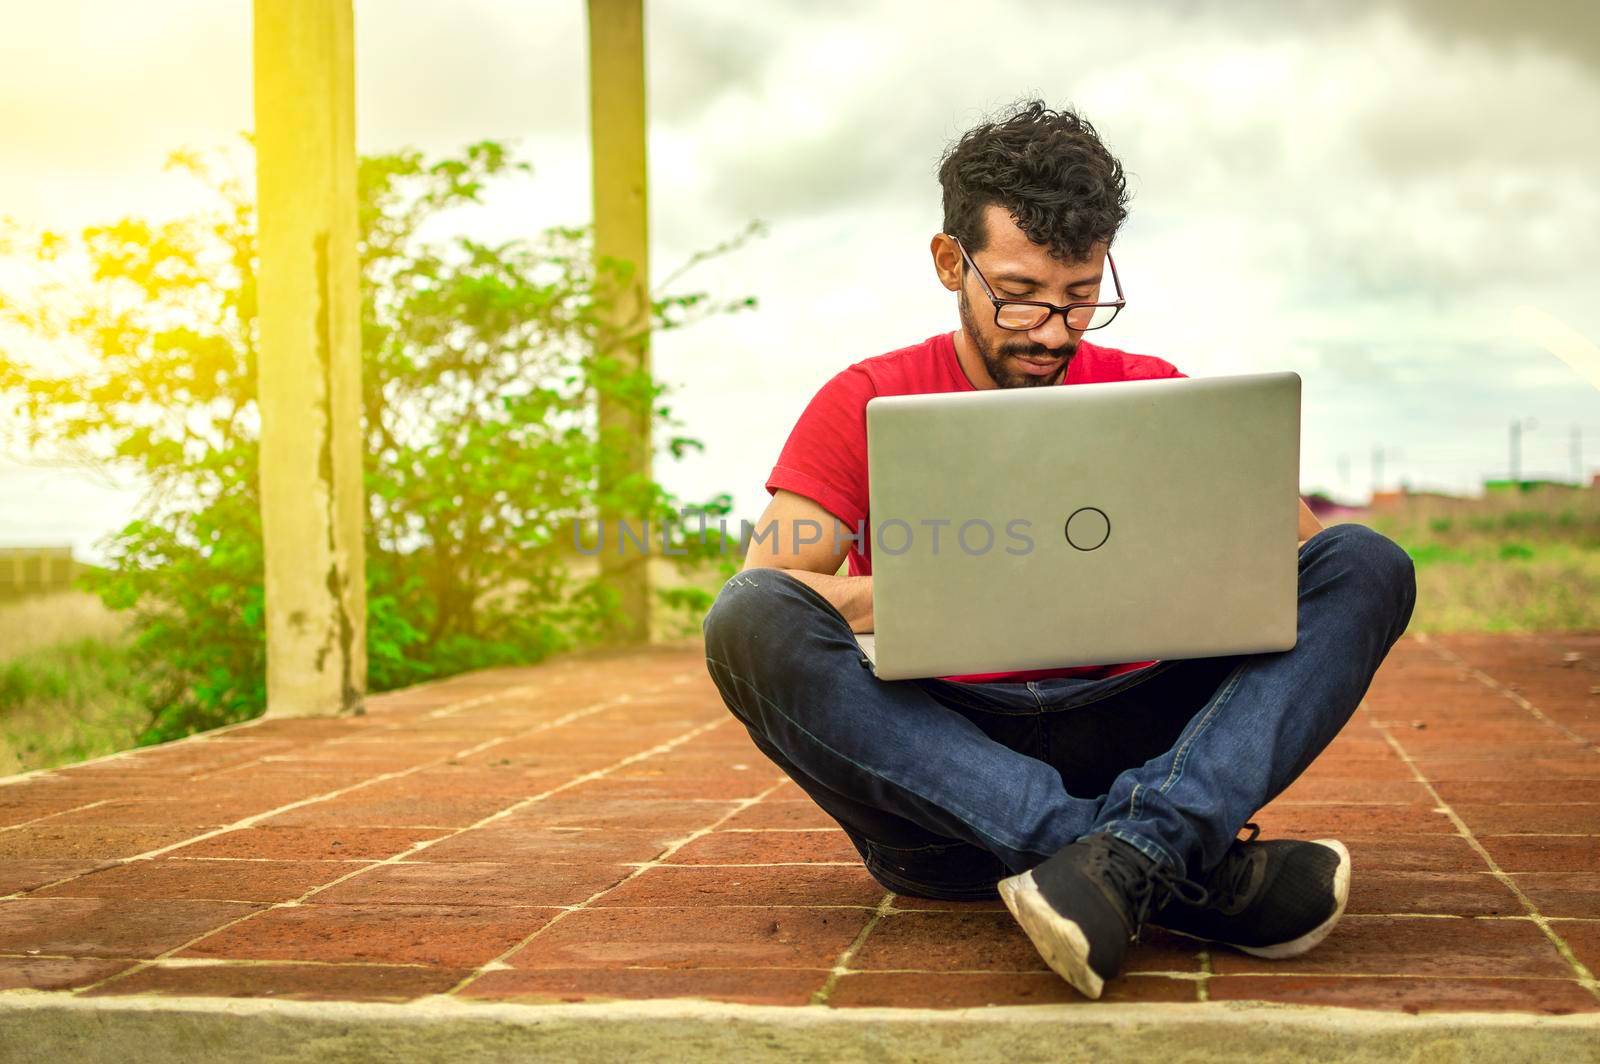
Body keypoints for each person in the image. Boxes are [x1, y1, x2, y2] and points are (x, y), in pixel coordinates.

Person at [700, 100, 1417, 1000]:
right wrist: (944, 591)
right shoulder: (864, 399)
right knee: (746, 621)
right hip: (940, 780)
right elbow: (776, 588)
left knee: (1368, 563)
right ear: (949, 262)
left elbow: (1308, 575)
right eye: (1022, 294)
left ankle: (1123, 855)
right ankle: (1158, 856)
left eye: (1082, 298)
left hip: (1136, 731)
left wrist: (1189, 561)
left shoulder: (1156, 397)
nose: (1054, 330)